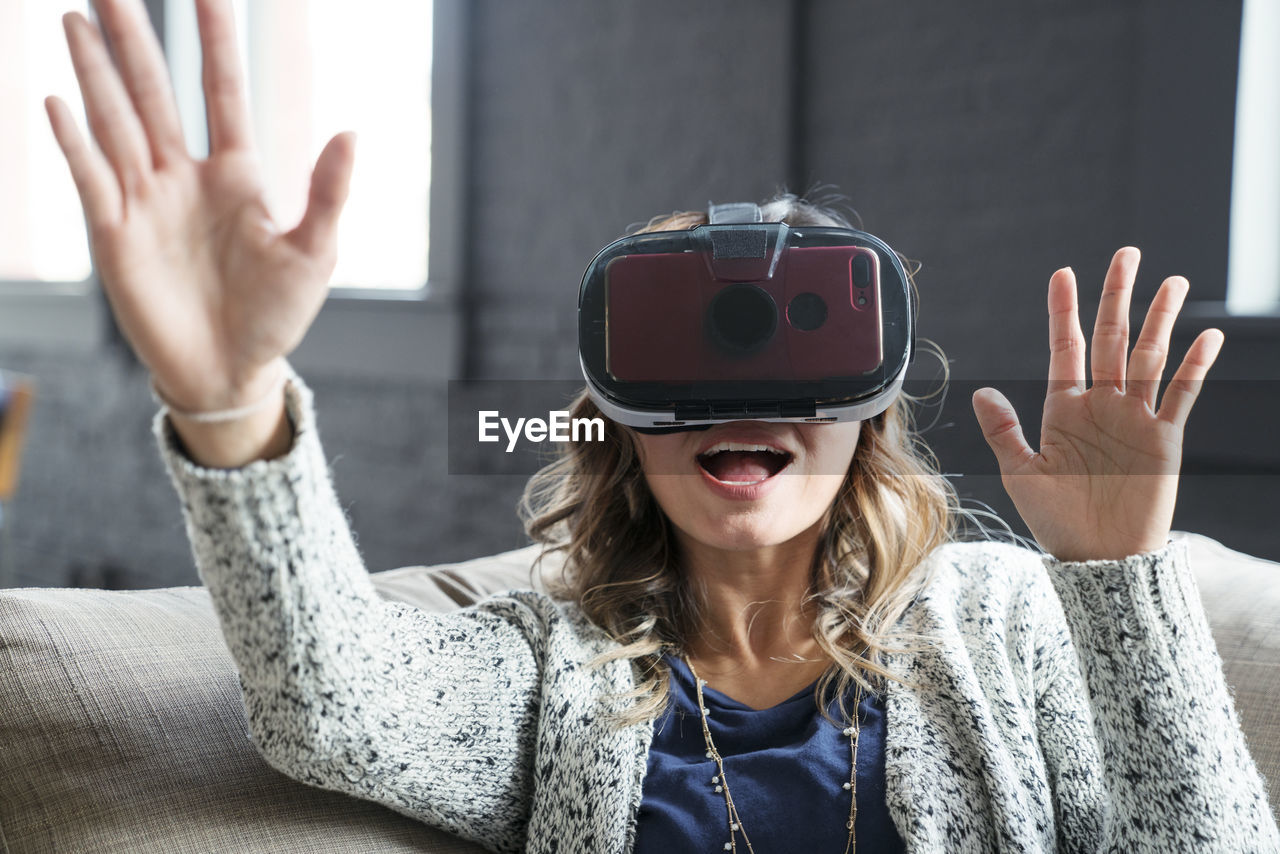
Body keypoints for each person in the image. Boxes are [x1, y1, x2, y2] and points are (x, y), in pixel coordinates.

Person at [45, 1, 1279, 851]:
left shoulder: (1006, 621)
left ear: (864, 409)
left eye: (787, 348)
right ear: (619, 425)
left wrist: (1118, 579)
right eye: (688, 355)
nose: (738, 399)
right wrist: (233, 400)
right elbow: (328, 704)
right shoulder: (549, 670)